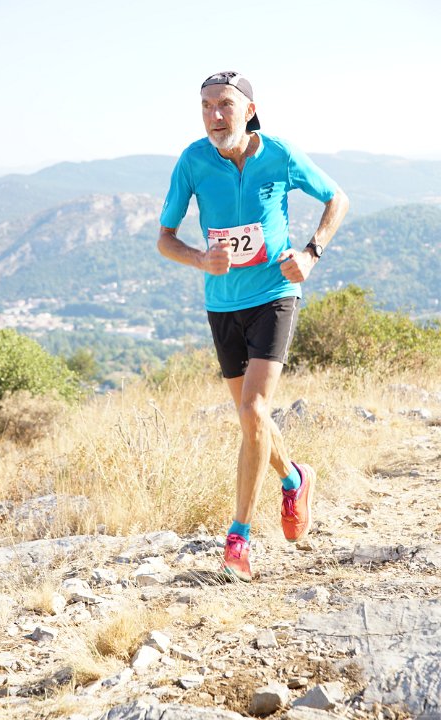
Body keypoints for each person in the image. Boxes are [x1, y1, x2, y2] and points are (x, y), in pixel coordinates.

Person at [157, 71, 349, 582]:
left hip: (275, 294)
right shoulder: (193, 161)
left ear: (249, 110)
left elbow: (337, 199)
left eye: (224, 104)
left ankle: (238, 539)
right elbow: (165, 239)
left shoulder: (279, 154)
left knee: (253, 408)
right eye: (205, 106)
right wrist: (201, 260)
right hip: (222, 304)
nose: (214, 116)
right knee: (251, 421)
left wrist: (311, 253)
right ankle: (295, 478)